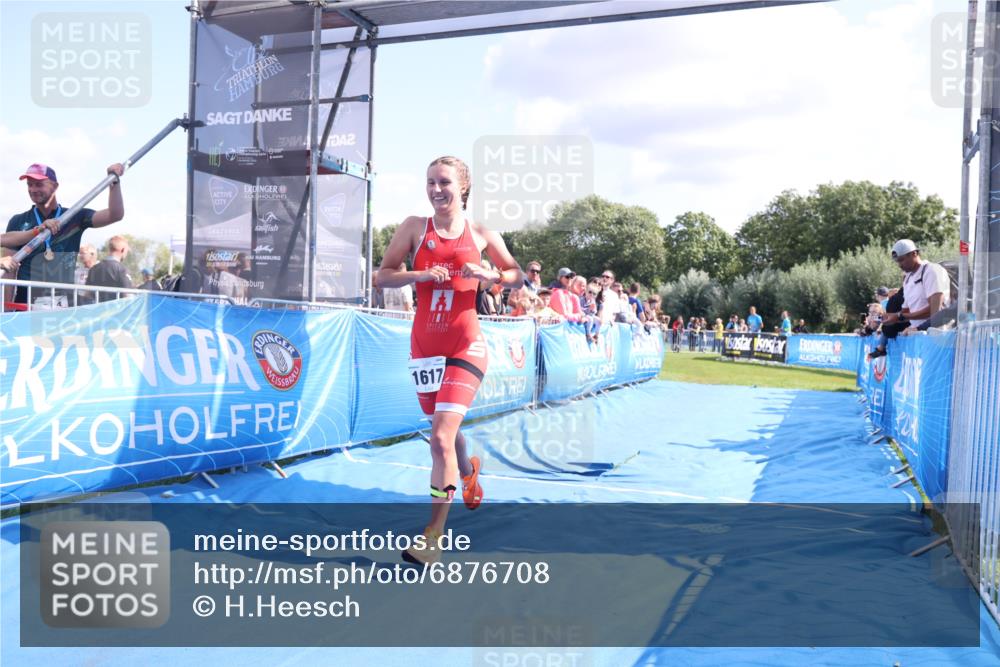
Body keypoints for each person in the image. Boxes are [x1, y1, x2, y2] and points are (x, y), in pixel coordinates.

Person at [376, 156, 523, 566]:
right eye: (430, 182)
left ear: (463, 187)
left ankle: (432, 537)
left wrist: (492, 276)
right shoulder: (413, 228)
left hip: (465, 345)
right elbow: (383, 275)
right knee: (444, 434)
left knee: (440, 437)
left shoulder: (480, 234)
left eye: (444, 182)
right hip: (424, 348)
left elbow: (516, 274)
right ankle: (468, 469)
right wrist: (417, 276)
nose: (436, 189)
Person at [4, 162, 125, 306]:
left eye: (39, 184)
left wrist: (114, 183)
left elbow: (115, 215)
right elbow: (9, 270)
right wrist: (5, 309)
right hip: (26, 303)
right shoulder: (18, 221)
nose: (33, 189)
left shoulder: (74, 216)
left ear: (55, 186)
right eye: (30, 185)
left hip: (62, 306)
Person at [891, 239, 951, 332]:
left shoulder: (932, 270)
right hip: (919, 335)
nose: (900, 265)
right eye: (897, 262)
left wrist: (902, 317)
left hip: (938, 335)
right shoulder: (907, 278)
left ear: (914, 253)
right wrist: (891, 317)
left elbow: (935, 310)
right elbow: (906, 311)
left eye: (902, 260)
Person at [86, 235, 132, 302]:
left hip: (97, 311)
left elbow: (87, 295)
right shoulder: (122, 270)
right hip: (116, 311)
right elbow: (128, 296)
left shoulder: (93, 269)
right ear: (123, 250)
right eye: (127, 251)